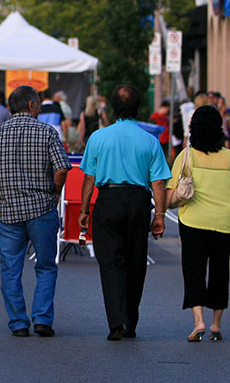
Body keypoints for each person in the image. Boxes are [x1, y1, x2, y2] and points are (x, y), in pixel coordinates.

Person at [0, 86, 70, 337]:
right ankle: (42, 319)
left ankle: (18, 322)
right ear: (31, 105)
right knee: (46, 266)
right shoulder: (47, 132)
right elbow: (62, 169)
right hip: (42, 209)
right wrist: (54, 192)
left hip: (8, 211)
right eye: (38, 103)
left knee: (10, 268)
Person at [78, 85, 170, 340]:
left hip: (108, 199)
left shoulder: (98, 137)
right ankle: (131, 319)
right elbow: (159, 182)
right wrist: (159, 215)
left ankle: (116, 321)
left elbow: (89, 178)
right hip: (139, 202)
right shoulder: (149, 141)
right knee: (136, 261)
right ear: (138, 108)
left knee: (110, 262)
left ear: (114, 109)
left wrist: (85, 209)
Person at [168, 105, 230, 342]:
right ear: (219, 128)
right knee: (219, 271)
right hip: (224, 224)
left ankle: (198, 321)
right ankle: (216, 323)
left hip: (193, 221)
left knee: (193, 269)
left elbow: (171, 190)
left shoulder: (187, 156)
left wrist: (160, 214)